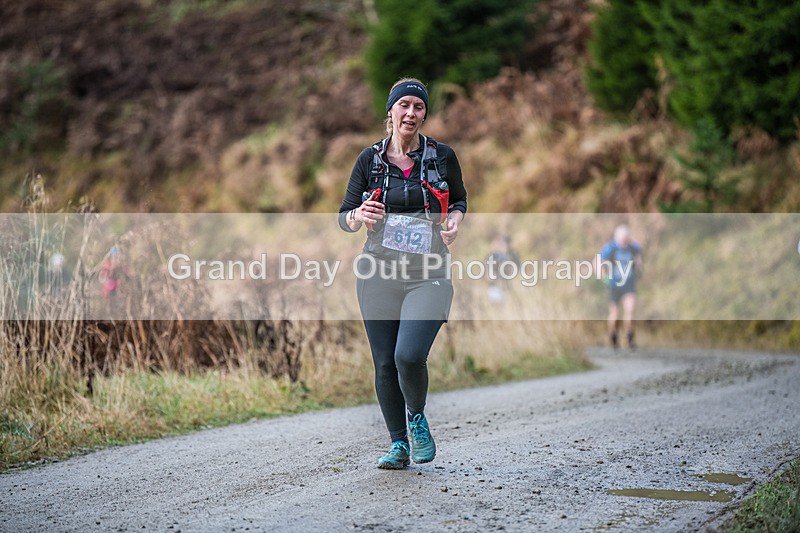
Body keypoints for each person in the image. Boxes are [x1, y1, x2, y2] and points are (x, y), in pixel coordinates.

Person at [338, 78, 467, 469]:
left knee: (408, 356)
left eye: (419, 107)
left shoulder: (441, 156)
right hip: (378, 271)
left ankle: (416, 418)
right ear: (391, 111)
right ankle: (398, 445)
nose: (411, 113)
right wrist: (358, 215)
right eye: (404, 105)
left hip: (429, 272)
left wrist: (455, 220)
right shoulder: (369, 161)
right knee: (384, 363)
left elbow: (459, 199)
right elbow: (344, 217)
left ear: (424, 114)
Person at [597, 225, 643, 350]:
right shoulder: (610, 248)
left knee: (630, 310)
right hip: (614, 284)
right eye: (622, 238)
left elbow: (638, 259)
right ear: (616, 238)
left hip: (629, 283)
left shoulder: (633, 247)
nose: (624, 241)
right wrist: (604, 277)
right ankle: (613, 335)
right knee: (615, 313)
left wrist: (639, 269)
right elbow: (598, 261)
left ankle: (629, 337)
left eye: (626, 238)